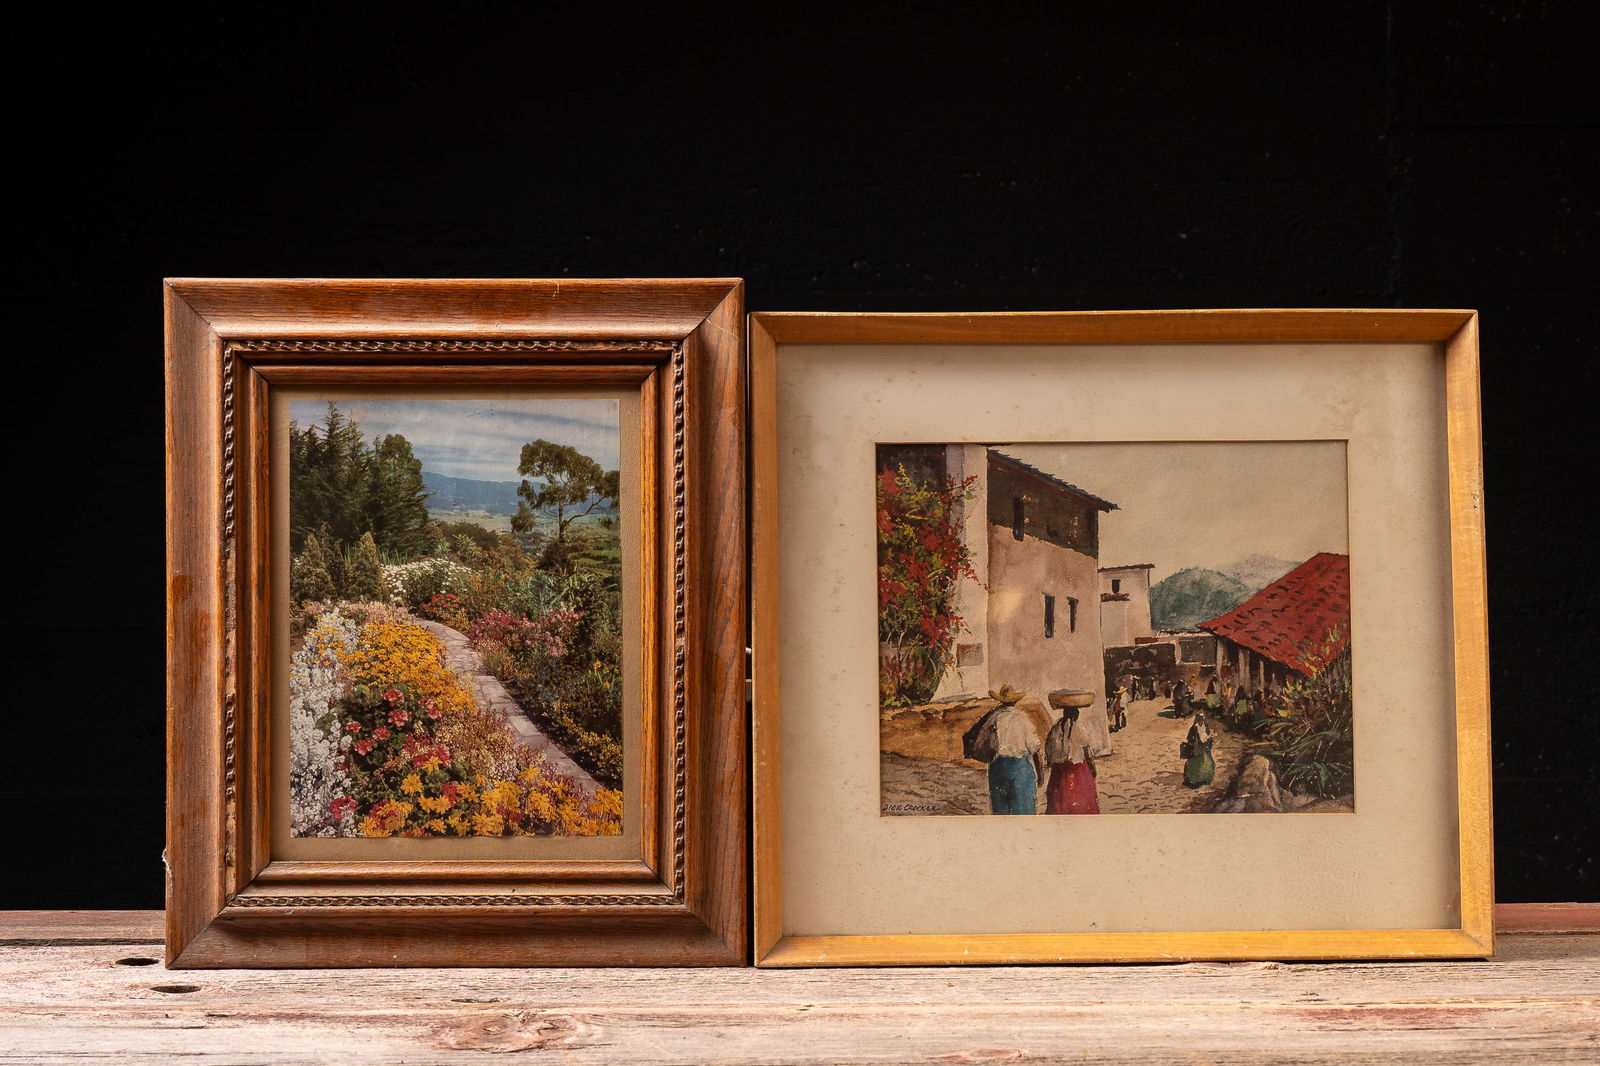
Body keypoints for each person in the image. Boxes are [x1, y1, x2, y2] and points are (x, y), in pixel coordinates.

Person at [980, 684, 1044, 815]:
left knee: (1000, 811)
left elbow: (985, 745)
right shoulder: (1023, 719)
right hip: (1020, 770)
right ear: (1016, 701)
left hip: (997, 769)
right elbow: (1035, 749)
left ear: (1001, 701)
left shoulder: (993, 718)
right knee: (1023, 811)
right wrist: (1040, 773)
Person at [1045, 705, 1100, 814]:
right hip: (1078, 770)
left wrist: (1052, 763)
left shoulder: (1055, 729)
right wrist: (1092, 768)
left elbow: (1049, 752)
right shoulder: (1080, 730)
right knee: (1080, 798)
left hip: (1059, 770)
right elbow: (1087, 752)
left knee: (1060, 799)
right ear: (1075, 715)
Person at [1183, 710, 1216, 787]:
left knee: (1207, 763)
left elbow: (1209, 737)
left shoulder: (1205, 727)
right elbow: (1190, 739)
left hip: (1205, 749)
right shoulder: (1194, 729)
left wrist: (1209, 739)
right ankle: (1194, 780)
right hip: (1196, 751)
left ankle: (1205, 779)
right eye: (1200, 720)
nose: (1201, 722)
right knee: (1195, 765)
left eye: (1202, 720)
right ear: (1197, 720)